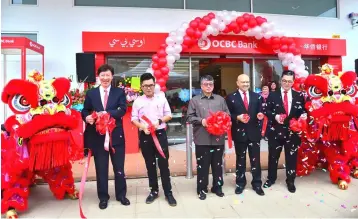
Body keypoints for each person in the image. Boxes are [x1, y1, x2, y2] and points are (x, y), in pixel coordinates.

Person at [82, 64, 130, 209]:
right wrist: (87, 117)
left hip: (116, 137)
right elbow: (85, 110)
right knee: (101, 169)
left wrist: (106, 113)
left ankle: (121, 195)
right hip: (98, 137)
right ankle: (103, 197)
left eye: (107, 75)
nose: (105, 78)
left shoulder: (119, 92)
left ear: (112, 76)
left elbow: (122, 109)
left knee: (119, 168)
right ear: (98, 77)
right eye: (102, 75)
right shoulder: (91, 93)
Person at [131, 73, 177, 206]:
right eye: (145, 86)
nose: (149, 88)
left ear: (154, 85)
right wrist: (142, 126)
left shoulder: (161, 99)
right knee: (150, 164)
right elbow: (133, 118)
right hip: (145, 135)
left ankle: (168, 192)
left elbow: (169, 115)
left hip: (160, 133)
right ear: (141, 87)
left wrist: (159, 121)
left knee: (163, 164)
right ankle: (154, 191)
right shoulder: (137, 101)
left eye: (151, 85)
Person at [187, 75, 230, 200]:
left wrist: (224, 121)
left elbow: (227, 115)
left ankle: (217, 187)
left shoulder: (220, 100)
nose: (208, 86)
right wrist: (202, 120)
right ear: (201, 86)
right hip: (202, 138)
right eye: (206, 84)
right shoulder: (194, 100)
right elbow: (189, 117)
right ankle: (202, 189)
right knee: (203, 165)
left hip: (218, 138)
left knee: (218, 165)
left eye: (211, 84)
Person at [263, 70, 306, 193]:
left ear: (293, 82)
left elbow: (302, 111)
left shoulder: (298, 95)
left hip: (292, 132)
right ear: (280, 80)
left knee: (291, 157)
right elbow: (266, 110)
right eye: (284, 81)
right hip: (275, 132)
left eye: (289, 81)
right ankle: (271, 179)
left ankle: (290, 180)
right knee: (273, 156)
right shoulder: (273, 95)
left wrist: (303, 116)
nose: (286, 83)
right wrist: (275, 116)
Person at [225, 74, 265, 196]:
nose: (246, 84)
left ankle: (257, 184)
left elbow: (261, 112)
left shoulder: (256, 96)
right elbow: (227, 114)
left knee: (256, 160)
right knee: (240, 160)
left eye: (247, 82)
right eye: (243, 82)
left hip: (254, 133)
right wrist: (237, 117)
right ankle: (240, 184)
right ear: (237, 83)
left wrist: (260, 116)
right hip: (239, 134)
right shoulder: (231, 97)